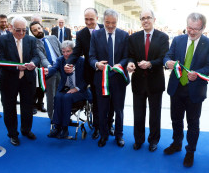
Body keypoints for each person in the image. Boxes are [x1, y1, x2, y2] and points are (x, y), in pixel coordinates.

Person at [163, 12, 209, 167]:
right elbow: (167, 56)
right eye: (189, 28)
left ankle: (190, 151)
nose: (192, 32)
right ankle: (177, 143)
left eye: (196, 29)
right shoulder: (178, 39)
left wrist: (198, 74)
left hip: (195, 91)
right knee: (176, 119)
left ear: (203, 28)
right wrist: (168, 63)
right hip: (176, 88)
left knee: (193, 123)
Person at [65, 8, 115, 140]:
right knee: (97, 102)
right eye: (86, 19)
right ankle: (97, 127)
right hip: (92, 75)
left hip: (109, 73)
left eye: (91, 19)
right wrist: (69, 63)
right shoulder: (81, 34)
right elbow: (76, 52)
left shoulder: (107, 29)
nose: (88, 22)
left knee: (111, 101)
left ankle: (110, 124)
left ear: (97, 18)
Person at [127, 10, 169, 152]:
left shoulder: (163, 37)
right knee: (138, 114)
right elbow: (130, 56)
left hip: (155, 82)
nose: (145, 20)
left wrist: (150, 63)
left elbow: (164, 58)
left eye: (148, 18)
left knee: (155, 114)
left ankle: (153, 140)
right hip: (138, 82)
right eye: (142, 18)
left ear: (154, 19)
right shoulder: (134, 38)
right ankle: (138, 140)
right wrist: (130, 63)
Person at [0, 16, 40, 146]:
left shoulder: (31, 40)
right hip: (9, 80)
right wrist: (16, 67)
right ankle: (13, 134)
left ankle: (26, 130)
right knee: (9, 108)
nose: (21, 33)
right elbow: (0, 59)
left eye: (24, 30)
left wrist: (32, 63)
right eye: (18, 30)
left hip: (27, 79)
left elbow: (36, 56)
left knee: (27, 107)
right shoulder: (2, 39)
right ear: (11, 28)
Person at [89, 9, 129, 148]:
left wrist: (121, 64)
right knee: (102, 109)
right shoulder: (96, 35)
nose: (110, 26)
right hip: (101, 79)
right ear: (103, 20)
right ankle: (103, 135)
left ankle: (119, 135)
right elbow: (91, 56)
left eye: (113, 23)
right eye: (107, 22)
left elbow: (126, 56)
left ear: (117, 21)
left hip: (118, 79)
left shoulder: (124, 35)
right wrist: (96, 64)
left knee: (119, 110)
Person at [46, 41, 88, 138]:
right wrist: (48, 71)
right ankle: (57, 127)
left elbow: (87, 79)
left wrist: (76, 88)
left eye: (68, 51)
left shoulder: (81, 61)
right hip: (65, 88)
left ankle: (65, 128)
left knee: (66, 97)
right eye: (63, 51)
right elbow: (54, 68)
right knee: (58, 97)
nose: (65, 54)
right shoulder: (60, 60)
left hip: (80, 90)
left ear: (74, 51)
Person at [30, 21, 62, 119]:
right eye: (35, 30)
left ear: (42, 27)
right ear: (32, 33)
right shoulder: (35, 44)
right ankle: (53, 118)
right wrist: (51, 68)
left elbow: (62, 51)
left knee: (62, 94)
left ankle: (63, 114)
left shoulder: (53, 38)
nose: (38, 31)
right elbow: (42, 58)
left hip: (62, 69)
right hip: (49, 71)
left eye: (39, 28)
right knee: (51, 96)